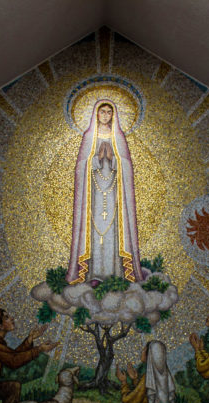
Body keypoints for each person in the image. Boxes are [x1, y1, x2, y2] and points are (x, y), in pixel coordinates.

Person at [66, 100, 144, 285]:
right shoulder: (88, 137)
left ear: (113, 115)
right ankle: (93, 274)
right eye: (103, 112)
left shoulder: (119, 137)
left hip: (115, 195)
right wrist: (94, 160)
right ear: (96, 114)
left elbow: (126, 165)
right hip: (92, 194)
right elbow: (79, 167)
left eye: (109, 112)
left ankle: (116, 274)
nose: (106, 115)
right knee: (93, 233)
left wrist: (114, 159)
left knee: (114, 233)